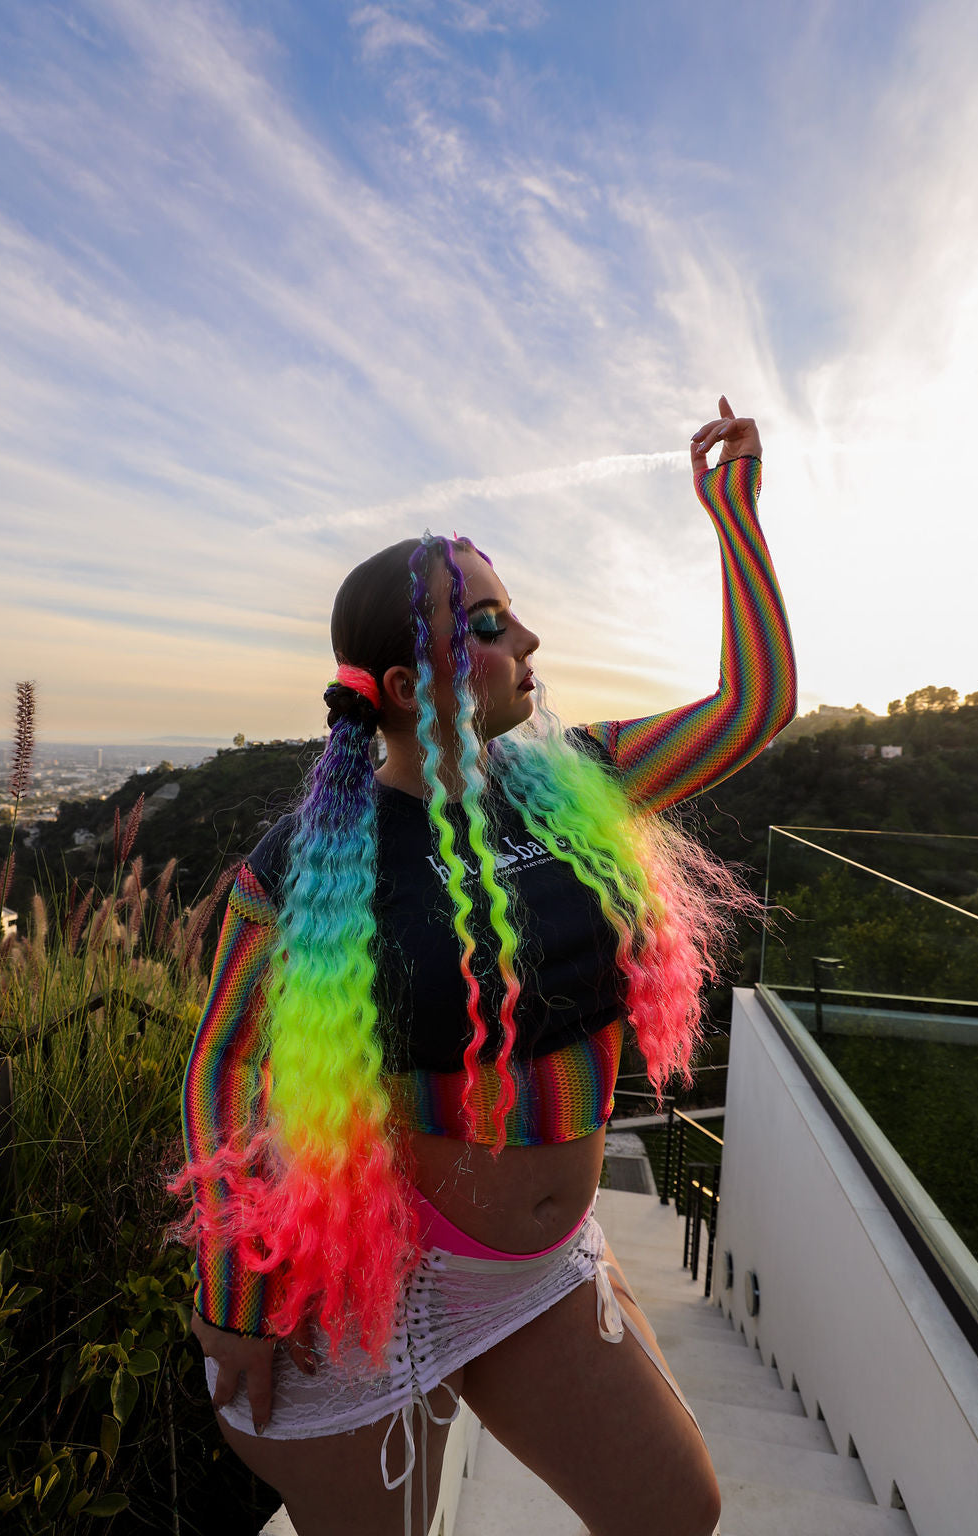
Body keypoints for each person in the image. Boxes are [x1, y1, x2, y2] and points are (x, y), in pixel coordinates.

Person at [176, 397, 796, 1536]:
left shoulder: (575, 777)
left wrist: (732, 516)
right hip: (373, 1286)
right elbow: (221, 1068)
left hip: (544, 1270)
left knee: (674, 1511)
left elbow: (753, 708)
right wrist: (230, 1298)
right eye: (493, 622)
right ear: (414, 687)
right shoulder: (307, 865)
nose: (529, 642)